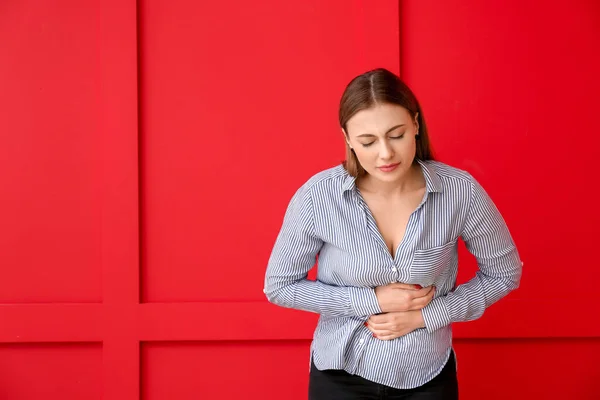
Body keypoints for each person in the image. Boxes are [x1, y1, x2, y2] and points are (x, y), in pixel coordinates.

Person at [263, 68, 523, 399]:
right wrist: (371, 300)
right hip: (340, 372)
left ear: (415, 124)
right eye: (367, 142)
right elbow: (280, 286)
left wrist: (427, 316)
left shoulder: (461, 192)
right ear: (346, 139)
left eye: (396, 135)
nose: (385, 154)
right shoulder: (318, 197)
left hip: (426, 373)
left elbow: (504, 273)